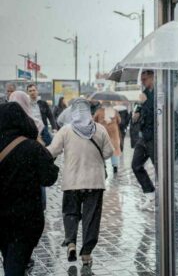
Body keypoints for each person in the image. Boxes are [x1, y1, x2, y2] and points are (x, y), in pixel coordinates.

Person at [46, 99, 114, 273]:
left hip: (72, 182)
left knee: (70, 213)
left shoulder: (66, 130)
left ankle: (70, 243)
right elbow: (108, 152)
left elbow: (52, 151)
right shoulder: (99, 129)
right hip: (95, 182)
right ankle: (86, 254)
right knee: (91, 219)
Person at [0, 102, 59, 276]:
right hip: (25, 218)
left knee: (9, 257)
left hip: (1, 217)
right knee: (16, 262)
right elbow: (49, 178)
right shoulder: (32, 148)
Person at [131, 70, 156, 211]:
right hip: (143, 136)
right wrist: (136, 113)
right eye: (142, 80)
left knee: (159, 167)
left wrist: (145, 102)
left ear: (153, 77)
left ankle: (167, 198)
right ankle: (150, 194)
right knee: (136, 165)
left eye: (145, 79)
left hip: (154, 136)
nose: (143, 82)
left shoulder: (158, 92)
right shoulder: (144, 93)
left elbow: (158, 112)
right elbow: (139, 111)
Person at [94, 101, 122, 174]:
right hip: (113, 133)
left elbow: (94, 120)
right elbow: (119, 121)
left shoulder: (99, 111)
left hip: (103, 131)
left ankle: (104, 165)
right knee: (114, 150)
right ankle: (115, 166)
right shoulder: (115, 111)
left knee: (102, 148)